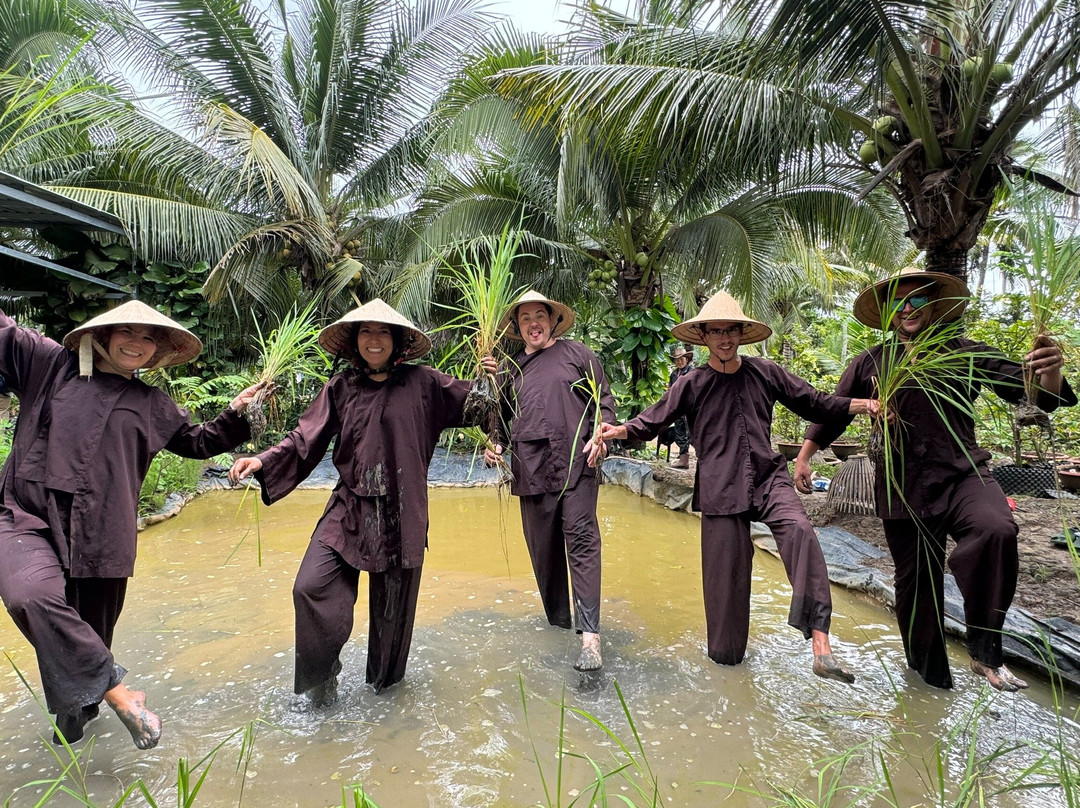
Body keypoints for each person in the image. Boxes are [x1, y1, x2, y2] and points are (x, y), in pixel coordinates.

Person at [795, 267, 1076, 692]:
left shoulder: (963, 351)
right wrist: (804, 457)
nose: (908, 308)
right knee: (916, 586)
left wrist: (1049, 371)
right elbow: (834, 410)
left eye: (919, 300)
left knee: (996, 529)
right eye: (899, 302)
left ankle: (985, 653)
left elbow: (1035, 394)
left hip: (963, 473)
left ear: (936, 306)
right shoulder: (871, 361)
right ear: (889, 313)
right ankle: (928, 683)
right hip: (900, 485)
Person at [0, 301, 262, 749]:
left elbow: (199, 442)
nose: (136, 344)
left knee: (87, 653)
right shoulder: (48, 364)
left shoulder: (154, 404)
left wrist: (237, 413)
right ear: (101, 335)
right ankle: (122, 695)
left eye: (148, 338)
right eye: (127, 332)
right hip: (26, 517)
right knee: (30, 596)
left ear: (158, 350)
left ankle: (74, 751)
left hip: (103, 534)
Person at [601, 291, 878, 682]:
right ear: (704, 337)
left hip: (769, 478)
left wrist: (863, 405)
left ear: (741, 333)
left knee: (801, 531)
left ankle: (820, 645)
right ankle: (726, 673)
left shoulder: (766, 372)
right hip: (720, 488)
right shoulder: (692, 383)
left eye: (731, 330)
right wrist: (620, 430)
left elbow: (815, 402)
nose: (725, 338)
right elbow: (654, 419)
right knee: (726, 588)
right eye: (716, 332)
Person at [230, 299, 491, 703]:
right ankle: (322, 679)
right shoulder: (340, 388)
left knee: (392, 622)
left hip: (402, 515)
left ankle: (385, 706)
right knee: (310, 587)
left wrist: (489, 380)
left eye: (383, 331)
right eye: (366, 331)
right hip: (350, 508)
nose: (374, 339)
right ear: (354, 341)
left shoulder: (424, 383)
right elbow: (304, 440)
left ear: (397, 340)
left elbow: (478, 405)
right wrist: (262, 459)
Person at [484, 290, 615, 672]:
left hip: (578, 463)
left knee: (582, 541)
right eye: (525, 319)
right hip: (530, 468)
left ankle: (590, 639)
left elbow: (603, 401)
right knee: (543, 552)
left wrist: (600, 436)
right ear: (517, 327)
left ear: (552, 320)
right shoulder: (509, 370)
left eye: (539, 315)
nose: (533, 323)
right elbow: (498, 420)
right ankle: (560, 625)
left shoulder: (579, 355)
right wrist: (493, 444)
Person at [667, 347, 695, 468]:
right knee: (680, 432)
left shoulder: (691, 372)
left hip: (689, 408)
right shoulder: (673, 374)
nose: (680, 362)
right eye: (677, 360)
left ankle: (704, 459)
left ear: (687, 359)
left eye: (682, 358)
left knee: (692, 433)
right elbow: (670, 389)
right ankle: (684, 460)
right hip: (677, 408)